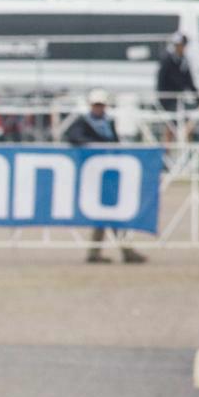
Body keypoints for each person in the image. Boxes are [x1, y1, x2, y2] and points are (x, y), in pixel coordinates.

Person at [65, 88, 146, 265]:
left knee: (109, 213)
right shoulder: (84, 122)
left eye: (101, 105)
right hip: (94, 175)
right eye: (96, 105)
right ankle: (121, 251)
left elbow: (115, 143)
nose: (99, 108)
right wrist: (93, 145)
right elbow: (73, 137)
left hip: (109, 173)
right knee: (107, 213)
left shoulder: (108, 123)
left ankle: (103, 251)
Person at [156, 33, 199, 118]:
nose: (183, 48)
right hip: (168, 98)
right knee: (176, 121)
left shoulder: (183, 61)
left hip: (177, 98)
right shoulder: (167, 61)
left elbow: (189, 81)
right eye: (181, 45)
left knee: (177, 122)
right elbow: (165, 80)